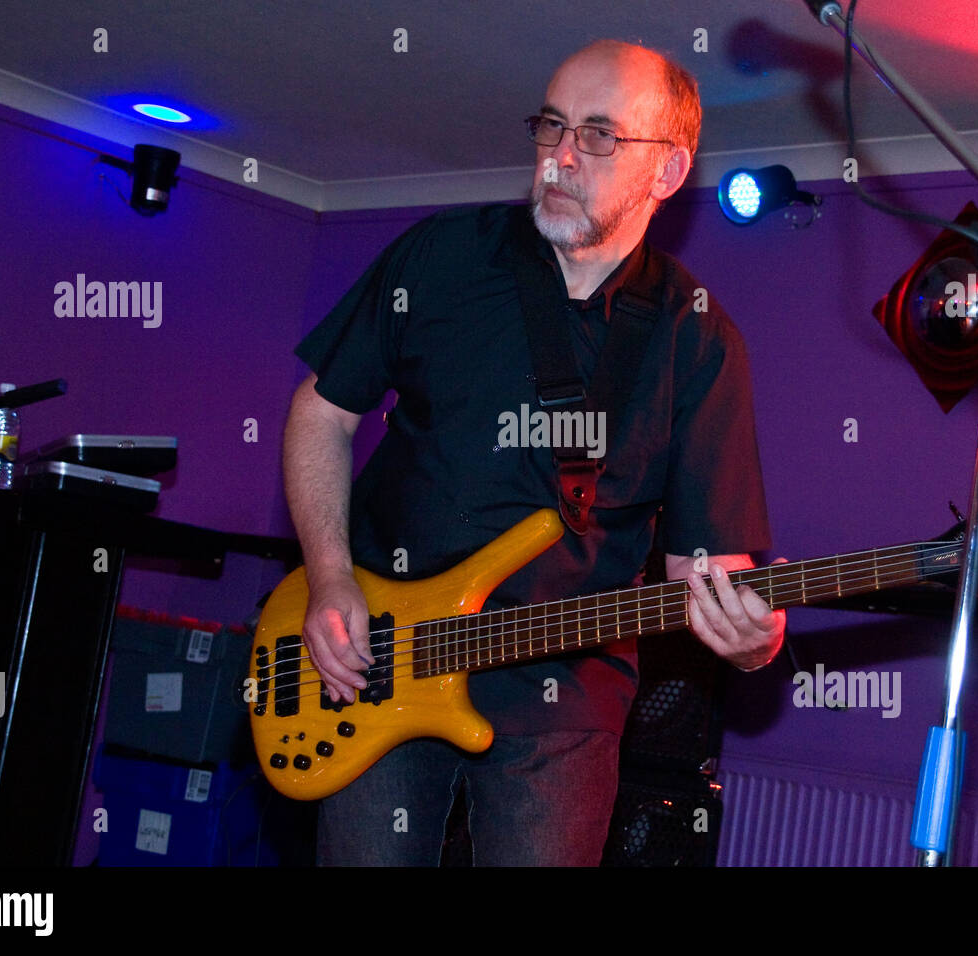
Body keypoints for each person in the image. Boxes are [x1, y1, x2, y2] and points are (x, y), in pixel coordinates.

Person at [283, 39, 786, 866]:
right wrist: (331, 577)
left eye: (597, 135)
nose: (557, 156)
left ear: (667, 172)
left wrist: (751, 638)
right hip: (379, 650)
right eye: (551, 125)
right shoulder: (441, 257)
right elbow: (321, 411)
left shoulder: (697, 336)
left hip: (565, 692)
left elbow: (708, 568)